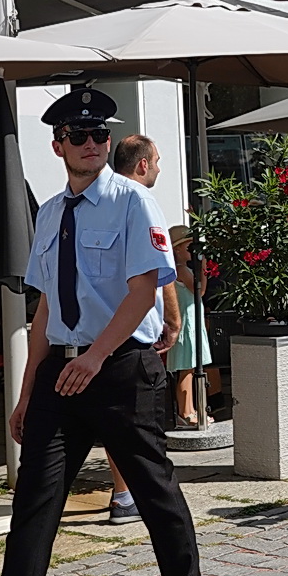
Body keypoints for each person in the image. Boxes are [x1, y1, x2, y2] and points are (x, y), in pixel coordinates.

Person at [0, 88, 217, 576]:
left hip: (120, 367)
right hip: (62, 372)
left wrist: (96, 358)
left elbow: (144, 289)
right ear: (59, 147)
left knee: (153, 491)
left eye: (101, 135)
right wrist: (26, 393)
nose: (94, 144)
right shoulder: (50, 212)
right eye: (80, 137)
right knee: (35, 503)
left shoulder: (132, 202)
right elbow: (46, 305)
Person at [108, 134, 182, 523]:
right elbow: (160, 271)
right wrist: (173, 320)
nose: (158, 168)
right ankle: (151, 503)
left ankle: (123, 494)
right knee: (144, 429)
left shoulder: (94, 199)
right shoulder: (141, 200)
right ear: (142, 165)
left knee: (113, 424)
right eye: (157, 161)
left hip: (100, 332)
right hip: (135, 335)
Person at [167, 226, 222, 424]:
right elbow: (200, 290)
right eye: (188, 246)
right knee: (187, 369)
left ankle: (190, 409)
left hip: (191, 322)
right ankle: (185, 411)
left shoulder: (181, 269)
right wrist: (204, 269)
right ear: (178, 249)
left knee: (190, 368)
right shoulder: (181, 270)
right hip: (188, 324)